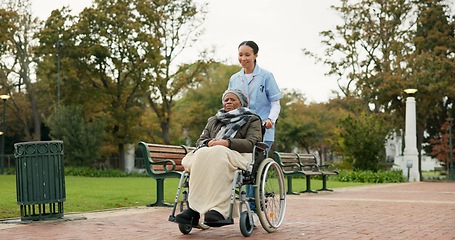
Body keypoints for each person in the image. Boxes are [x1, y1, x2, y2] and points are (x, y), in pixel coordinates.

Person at [175, 88, 263, 227]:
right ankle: (193, 210)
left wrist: (227, 142)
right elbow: (201, 141)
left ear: (241, 103)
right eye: (226, 99)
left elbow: (252, 143)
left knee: (219, 153)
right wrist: (208, 143)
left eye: (232, 99)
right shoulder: (214, 120)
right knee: (201, 153)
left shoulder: (252, 119)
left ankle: (219, 211)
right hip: (210, 153)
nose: (228, 102)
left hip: (237, 154)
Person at [228, 40, 283, 219]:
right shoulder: (234, 79)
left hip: (262, 129)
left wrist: (270, 119)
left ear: (255, 56)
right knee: (240, 164)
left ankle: (252, 204)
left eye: (247, 55)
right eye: (240, 55)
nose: (243, 58)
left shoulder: (266, 76)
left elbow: (275, 103)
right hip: (240, 130)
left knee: (255, 168)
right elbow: (230, 102)